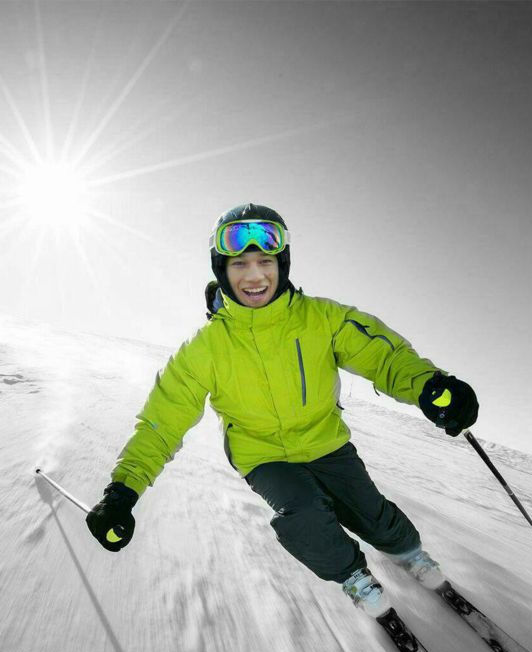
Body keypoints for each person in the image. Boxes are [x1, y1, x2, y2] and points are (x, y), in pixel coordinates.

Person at [86, 203, 478, 619]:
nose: (254, 276)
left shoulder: (322, 319)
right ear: (222, 269)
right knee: (304, 513)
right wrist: (122, 491)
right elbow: (162, 422)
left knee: (373, 517)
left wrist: (430, 386)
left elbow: (383, 356)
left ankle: (410, 555)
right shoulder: (204, 350)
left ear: (282, 264)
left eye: (265, 262)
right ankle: (354, 577)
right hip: (263, 456)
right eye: (239, 264)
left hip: (327, 443)